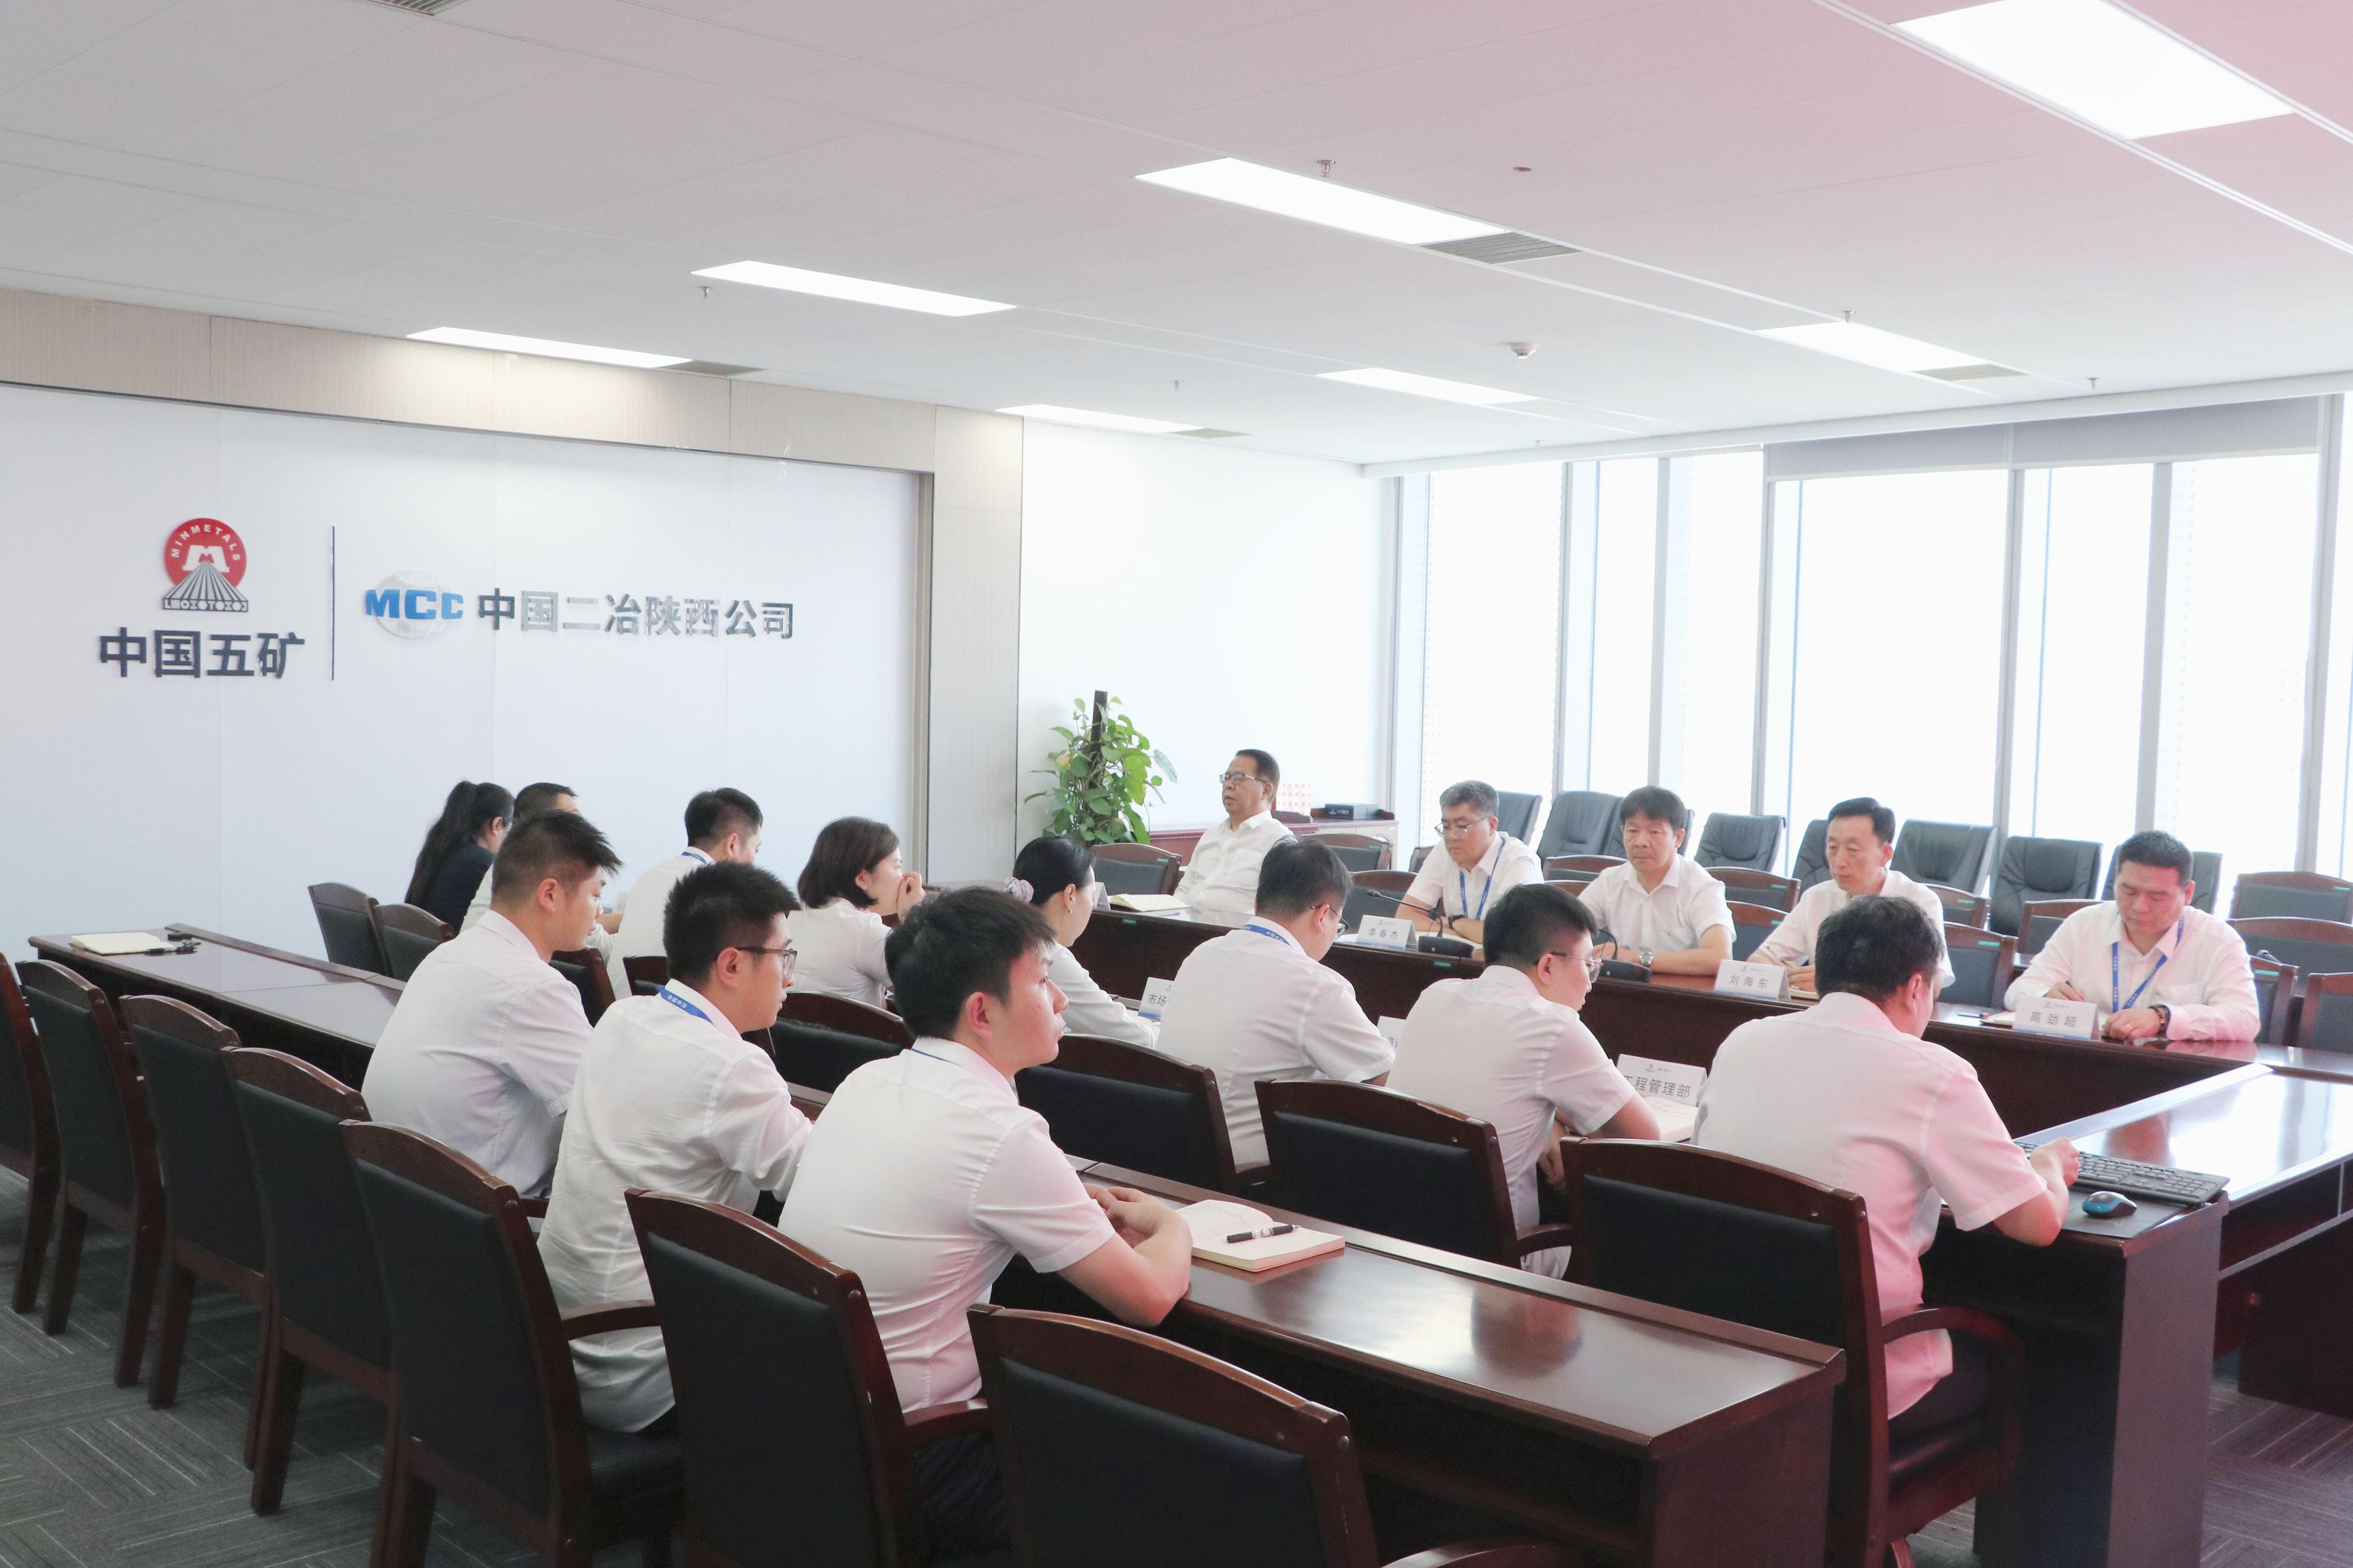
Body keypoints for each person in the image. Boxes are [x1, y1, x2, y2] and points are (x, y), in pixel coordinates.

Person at [778, 888, 1193, 1554]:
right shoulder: (1000, 1133)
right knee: (1170, 1461)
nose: (1060, 1001)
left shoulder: (868, 1081)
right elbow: (1147, 1299)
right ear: (981, 1012)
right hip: (919, 1456)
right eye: (1043, 981)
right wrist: (1173, 1226)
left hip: (813, 1429)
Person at [1696, 895, 2078, 1431]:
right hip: (1859, 1376)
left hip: (1736, 1355)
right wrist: (2047, 1166)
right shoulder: (1933, 1071)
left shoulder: (1743, 1040)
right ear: (1917, 987)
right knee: (2023, 1362)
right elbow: (2037, 1224)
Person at [540, 860, 812, 1433]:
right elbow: (816, 1184)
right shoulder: (732, 1066)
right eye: (783, 957)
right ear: (732, 964)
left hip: (557, 1340)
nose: (789, 978)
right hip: (647, 1366)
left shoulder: (622, 1017)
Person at [1387, 883, 1660, 1276]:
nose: (1590, 982)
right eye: (1589, 966)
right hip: (1502, 1262)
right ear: (1548, 966)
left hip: (1403, 1238)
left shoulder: (1435, 995)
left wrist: (1552, 1126)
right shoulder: (1553, 1025)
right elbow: (1645, 1138)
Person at [368, 811, 621, 1195]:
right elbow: (607, 1114)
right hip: (487, 1212)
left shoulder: (448, 954)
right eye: (596, 895)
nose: (599, 911)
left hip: (406, 1197)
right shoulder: (533, 987)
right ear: (550, 894)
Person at [1154, 841, 1395, 1167]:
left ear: (1257, 903)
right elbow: (1387, 1084)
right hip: (1248, 1175)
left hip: (1169, 1154)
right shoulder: (1315, 984)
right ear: (1323, 915)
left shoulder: (1201, 953)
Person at [2007, 829, 2260, 1041]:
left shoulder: (2219, 941)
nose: (2140, 906)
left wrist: (2163, 1018)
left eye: (2157, 896)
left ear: (2188, 893)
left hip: (2169, 1070)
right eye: (2129, 891)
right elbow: (2018, 991)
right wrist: (2046, 998)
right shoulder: (2083, 924)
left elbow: (2245, 1019)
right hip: (2085, 1061)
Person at [1757, 797, 1952, 988]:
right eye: (1833, 848)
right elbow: (1760, 959)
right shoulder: (1816, 897)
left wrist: (1832, 982)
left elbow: (1931, 985)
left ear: (1885, 855)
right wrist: (1786, 974)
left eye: (1853, 849)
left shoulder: (1920, 902)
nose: (1839, 861)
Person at [609, 788, 763, 991]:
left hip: (619, 1005)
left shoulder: (649, 876)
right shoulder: (720, 892)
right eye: (756, 850)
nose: (754, 861)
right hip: (672, 1008)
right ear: (733, 844)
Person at [1010, 835, 1158, 1046]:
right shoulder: (1048, 954)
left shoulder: (1013, 933)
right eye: (1092, 896)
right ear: (1070, 895)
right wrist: (1160, 1028)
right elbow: (1137, 1038)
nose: (1092, 907)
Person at [1577, 786, 1735, 975]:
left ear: (1678, 838)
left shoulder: (1701, 886)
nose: (1641, 842)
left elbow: (1719, 957)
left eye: (1654, 832)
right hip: (1621, 988)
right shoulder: (1610, 881)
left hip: (1679, 990)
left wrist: (1636, 958)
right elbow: (1564, 931)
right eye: (1633, 831)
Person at [460, 783, 621, 948]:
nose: (582, 825)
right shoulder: (553, 867)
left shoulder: (512, 860)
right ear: (545, 824)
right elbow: (605, 947)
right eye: (575, 817)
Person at [789, 817, 926, 1006]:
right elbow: (930, 990)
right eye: (897, 867)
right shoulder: (865, 930)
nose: (903, 878)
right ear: (862, 879)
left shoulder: (796, 916)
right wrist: (911, 914)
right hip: (846, 1027)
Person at [1400, 780, 1544, 945]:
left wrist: (1455, 922)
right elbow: (1406, 916)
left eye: (1462, 826)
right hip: (1459, 956)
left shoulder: (1520, 861)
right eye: (1446, 826)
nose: (1452, 836)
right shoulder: (1444, 851)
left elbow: (1506, 937)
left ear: (1492, 826)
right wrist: (1461, 934)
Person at [1173, 749, 1294, 915]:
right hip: (1186, 926)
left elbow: (1275, 908)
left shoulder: (1280, 841)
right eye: (1227, 778)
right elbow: (1185, 890)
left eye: (1238, 778)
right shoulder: (1211, 835)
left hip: (1238, 930)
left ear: (1266, 790)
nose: (1229, 785)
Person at [406, 781, 514, 932]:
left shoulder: (444, 851)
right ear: (497, 824)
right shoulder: (483, 862)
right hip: (455, 945)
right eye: (511, 828)